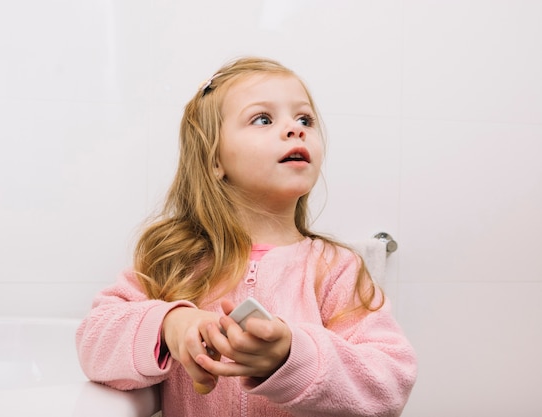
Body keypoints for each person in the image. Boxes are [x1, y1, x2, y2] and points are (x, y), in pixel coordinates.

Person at [76, 56, 417, 416]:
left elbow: (390, 381)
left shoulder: (335, 270)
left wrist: (292, 356)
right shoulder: (174, 261)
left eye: (305, 119)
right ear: (214, 160)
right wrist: (168, 325)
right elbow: (92, 343)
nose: (295, 129)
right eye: (263, 119)